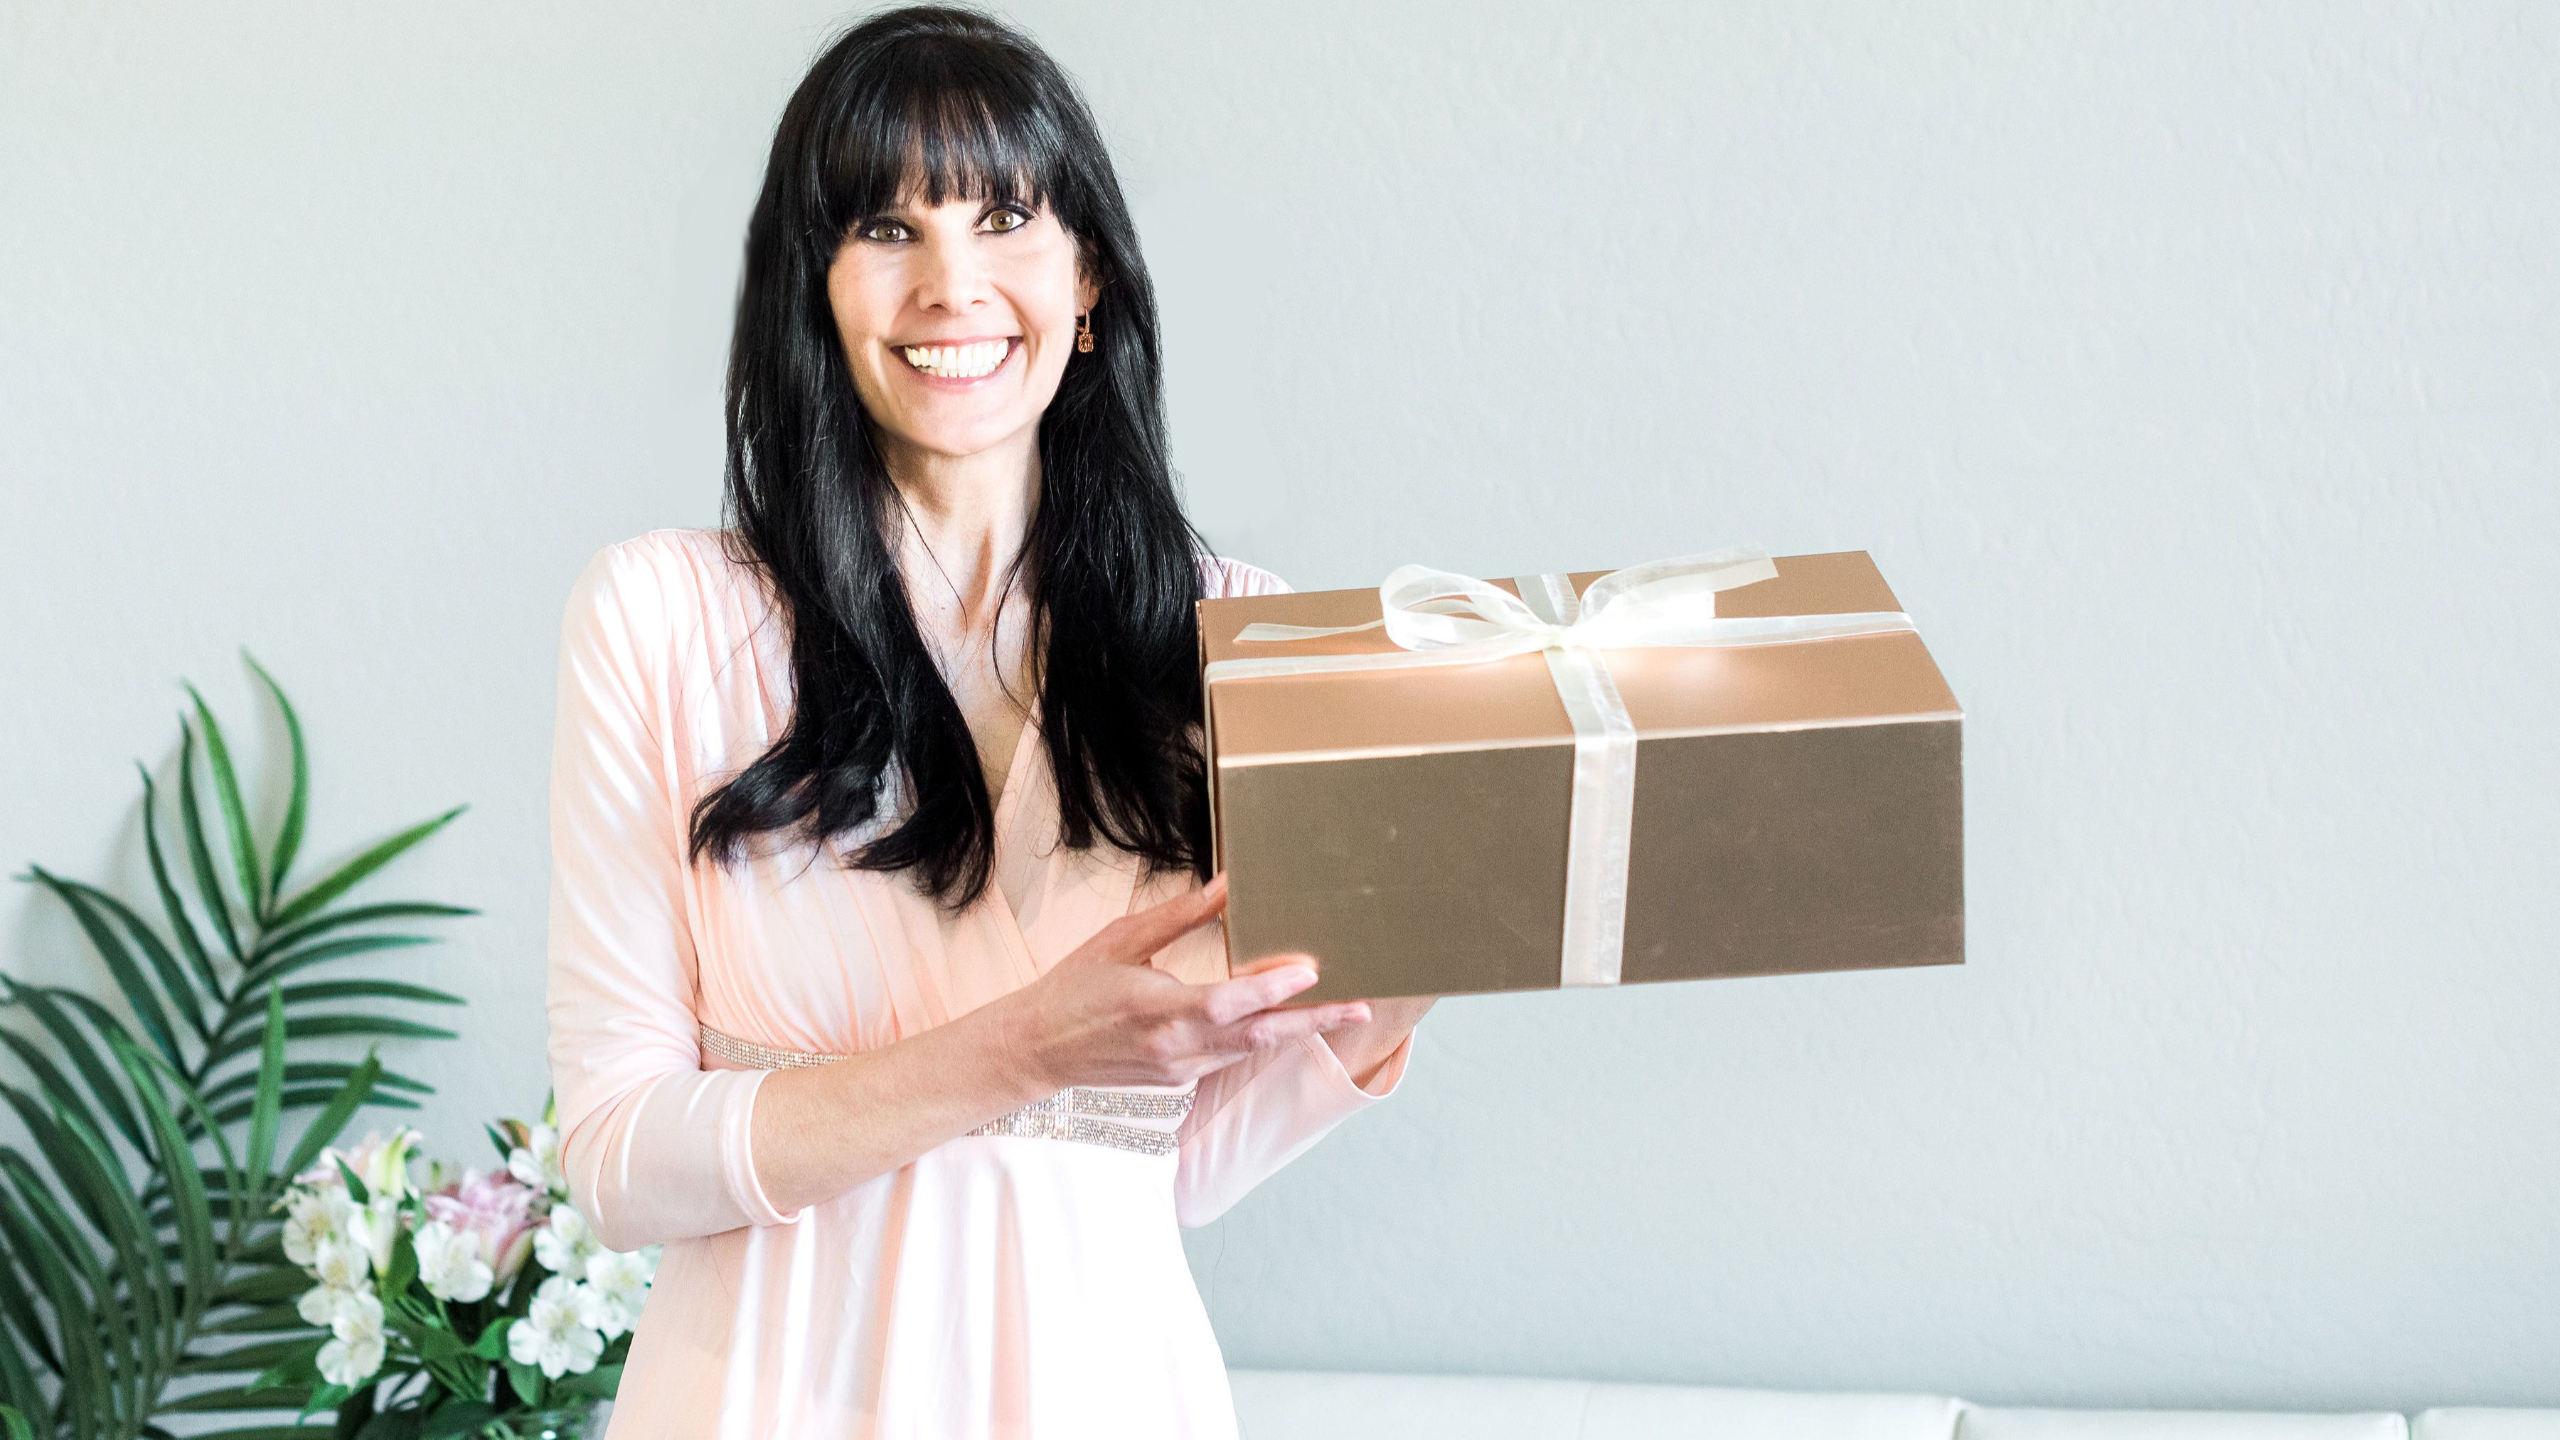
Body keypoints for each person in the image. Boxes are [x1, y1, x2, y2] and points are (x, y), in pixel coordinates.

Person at [540, 7, 1433, 1436]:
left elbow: (1153, 1170)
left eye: (1006, 218)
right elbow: (618, 1156)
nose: (952, 285)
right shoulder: (663, 614)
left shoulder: (1234, 635)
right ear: (815, 286)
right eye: (886, 228)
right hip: (769, 1400)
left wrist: (1397, 990)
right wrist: (1023, 1047)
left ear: (1088, 277)